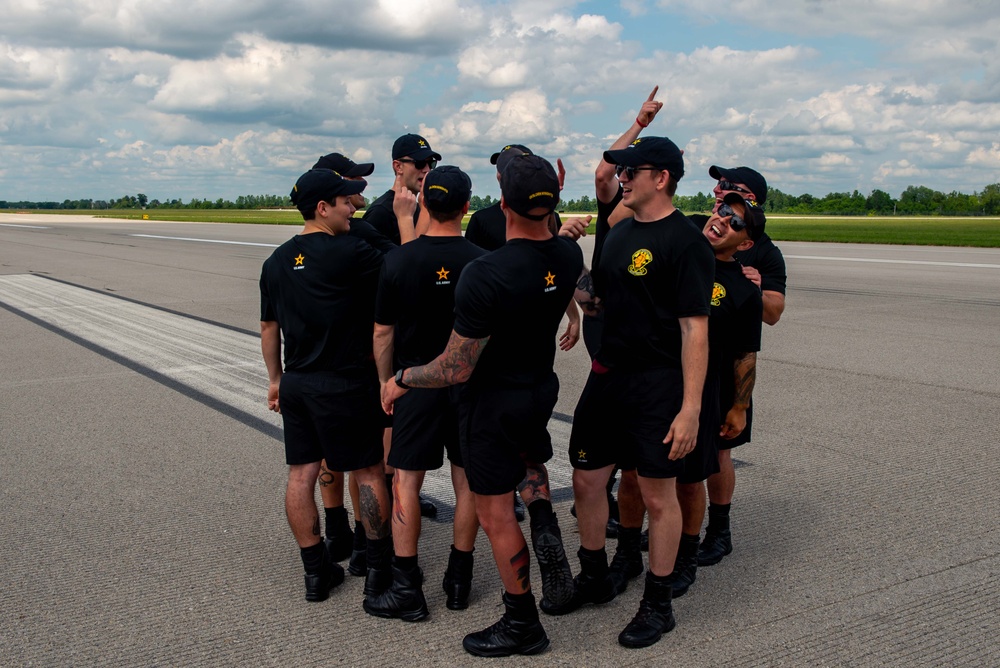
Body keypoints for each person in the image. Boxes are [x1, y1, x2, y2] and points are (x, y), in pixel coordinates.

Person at [383, 154, 583, 657]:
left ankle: (523, 624)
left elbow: (455, 367)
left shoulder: (486, 273)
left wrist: (403, 378)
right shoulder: (566, 257)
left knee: (496, 513)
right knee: (529, 460)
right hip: (539, 389)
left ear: (500, 203)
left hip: (491, 402)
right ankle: (543, 518)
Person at [570, 135, 714, 648]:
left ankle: (658, 604)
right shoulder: (620, 230)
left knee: (658, 493)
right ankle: (593, 576)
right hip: (608, 375)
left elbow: (696, 329)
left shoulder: (687, 242)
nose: (623, 178)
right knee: (587, 480)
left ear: (662, 178)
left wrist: (691, 408)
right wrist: (561, 257)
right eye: (622, 171)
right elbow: (597, 295)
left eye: (633, 171)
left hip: (657, 384)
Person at [258, 168, 393, 604]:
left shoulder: (275, 261)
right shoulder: (353, 251)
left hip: (297, 382)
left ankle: (316, 573)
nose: (352, 210)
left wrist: (276, 380)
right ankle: (376, 570)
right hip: (347, 382)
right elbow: (405, 268)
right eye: (345, 202)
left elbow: (267, 327)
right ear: (322, 208)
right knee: (370, 472)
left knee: (301, 474)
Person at [364, 166, 486, 620]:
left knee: (406, 482)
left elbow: (382, 333)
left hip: (413, 383)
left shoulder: (399, 259)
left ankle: (406, 585)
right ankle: (459, 577)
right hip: (466, 385)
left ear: (424, 205)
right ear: (467, 207)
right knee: (466, 480)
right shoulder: (480, 259)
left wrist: (385, 383)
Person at [466, 143, 583, 523]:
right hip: (538, 379)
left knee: (495, 490)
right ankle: (544, 522)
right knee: (532, 455)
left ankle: (517, 583)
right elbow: (553, 268)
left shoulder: (486, 242)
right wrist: (574, 312)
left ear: (502, 188)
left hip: (493, 379)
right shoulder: (563, 244)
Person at [689, 166, 786, 567]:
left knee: (719, 452)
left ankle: (719, 529)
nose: (721, 191)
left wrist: (753, 288)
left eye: (733, 189)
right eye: (721, 186)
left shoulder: (764, 251)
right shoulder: (697, 227)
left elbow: (774, 313)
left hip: (726, 364)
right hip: (680, 363)